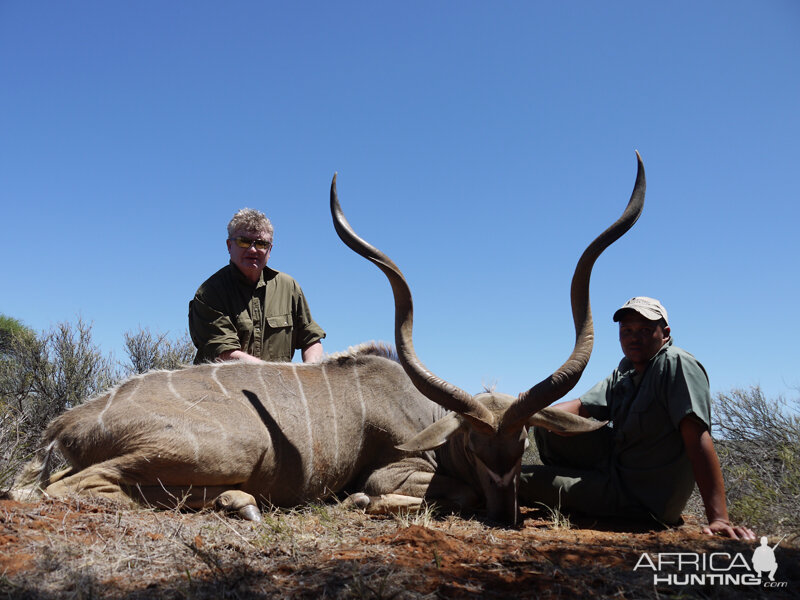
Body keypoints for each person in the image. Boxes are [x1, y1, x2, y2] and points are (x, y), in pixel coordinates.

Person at [520, 296, 755, 540]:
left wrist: (719, 519)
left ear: (664, 333)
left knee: (520, 480)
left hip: (642, 497)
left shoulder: (676, 364)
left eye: (644, 330)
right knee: (547, 428)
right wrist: (527, 414)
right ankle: (577, 489)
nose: (634, 337)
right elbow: (580, 406)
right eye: (627, 330)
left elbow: (698, 439)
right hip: (616, 469)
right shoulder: (627, 370)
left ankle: (575, 492)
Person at [189, 208, 325, 364]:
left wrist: (310, 371)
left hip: (279, 385)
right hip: (222, 386)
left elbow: (311, 338)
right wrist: (278, 377)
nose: (253, 249)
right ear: (229, 245)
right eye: (243, 241)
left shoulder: (289, 286)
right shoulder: (210, 292)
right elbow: (225, 353)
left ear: (270, 249)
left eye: (261, 244)